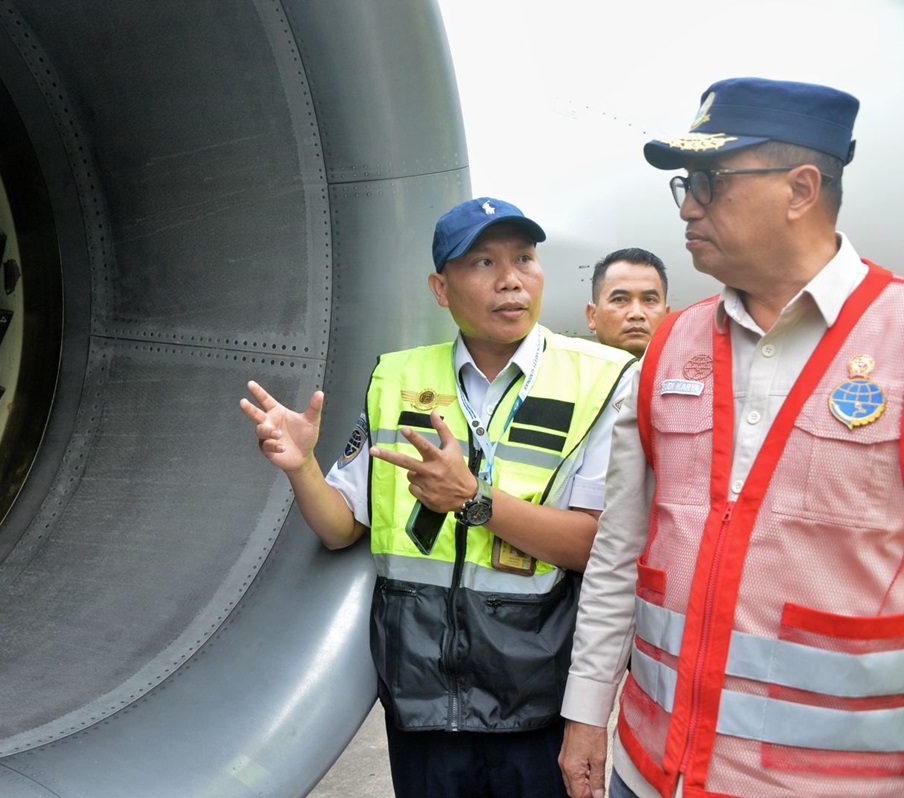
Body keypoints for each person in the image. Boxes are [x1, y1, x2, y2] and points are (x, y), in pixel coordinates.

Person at [558, 77, 904, 798]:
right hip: (648, 772)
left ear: (801, 190)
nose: (687, 205)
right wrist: (587, 713)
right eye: (686, 183)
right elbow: (621, 550)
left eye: (711, 182)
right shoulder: (669, 348)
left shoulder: (896, 338)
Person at [242, 197, 636, 797]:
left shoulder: (601, 378)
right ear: (441, 287)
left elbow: (593, 546)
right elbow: (341, 528)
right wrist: (301, 469)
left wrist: (475, 500)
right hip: (421, 704)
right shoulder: (397, 377)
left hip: (534, 705)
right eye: (481, 262)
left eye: (524, 258)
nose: (511, 280)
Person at [585, 248, 670, 356]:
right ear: (592, 315)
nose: (636, 314)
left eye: (649, 300)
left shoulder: (691, 371)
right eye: (619, 299)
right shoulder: (566, 372)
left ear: (666, 317)